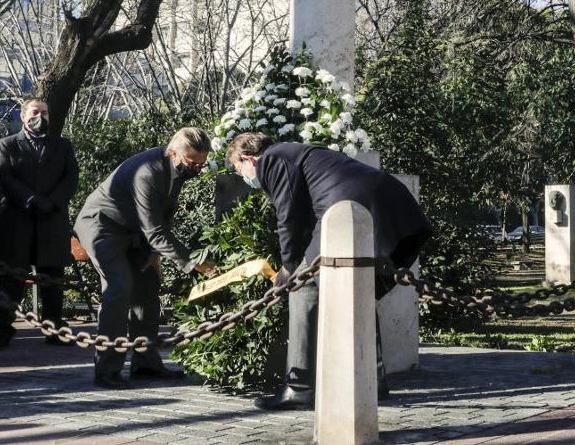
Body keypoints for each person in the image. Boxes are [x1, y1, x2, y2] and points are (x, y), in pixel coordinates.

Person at [227, 132, 432, 410]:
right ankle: (373, 382)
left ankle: (298, 388)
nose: (247, 178)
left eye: (241, 171)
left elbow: (288, 217)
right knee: (359, 292)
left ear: (247, 158)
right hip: (387, 205)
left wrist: (288, 268)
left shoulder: (272, 159)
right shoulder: (300, 152)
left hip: (350, 208)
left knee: (302, 287)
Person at [73, 127, 219, 388]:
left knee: (147, 287)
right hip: (103, 226)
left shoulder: (175, 168)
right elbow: (155, 230)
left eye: (201, 164)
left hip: (135, 232)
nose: (196, 169)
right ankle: (107, 370)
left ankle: (146, 366)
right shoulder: (148, 172)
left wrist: (154, 255)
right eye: (191, 163)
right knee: (119, 288)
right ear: (174, 153)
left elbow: (165, 215)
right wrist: (195, 263)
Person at [0, 97, 78, 350]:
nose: (41, 117)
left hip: (52, 221)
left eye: (45, 113)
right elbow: (2, 175)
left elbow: (71, 178)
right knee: (10, 280)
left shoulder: (62, 146)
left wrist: (53, 201)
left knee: (52, 280)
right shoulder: (7, 144)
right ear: (24, 117)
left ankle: (54, 328)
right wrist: (30, 198)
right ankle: (3, 329)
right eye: (36, 112)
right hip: (17, 219)